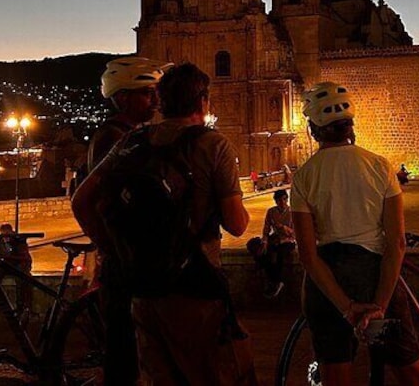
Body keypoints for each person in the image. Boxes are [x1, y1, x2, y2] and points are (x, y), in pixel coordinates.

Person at [73, 62, 258, 385]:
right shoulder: (212, 144)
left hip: (143, 291)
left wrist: (114, 249)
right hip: (194, 286)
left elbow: (81, 201)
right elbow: (237, 224)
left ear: (162, 99)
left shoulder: (134, 140)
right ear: (203, 101)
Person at [290, 82, 419, 386]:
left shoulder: (304, 177)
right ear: (350, 125)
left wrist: (346, 307)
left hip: (328, 279)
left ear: (314, 129)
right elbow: (396, 242)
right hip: (375, 271)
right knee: (413, 373)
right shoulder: (380, 166)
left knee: (337, 374)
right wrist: (380, 303)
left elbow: (308, 255)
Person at [83, 56, 171, 386]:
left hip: (133, 261)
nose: (155, 99)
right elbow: (95, 201)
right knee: (123, 357)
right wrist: (110, 249)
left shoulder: (131, 134)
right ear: (122, 97)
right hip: (123, 266)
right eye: (146, 93)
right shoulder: (113, 138)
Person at [0, 223, 33, 314]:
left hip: (19, 265)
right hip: (7, 264)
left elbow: (23, 256)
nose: (5, 238)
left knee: (21, 280)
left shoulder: (19, 240)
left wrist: (9, 258)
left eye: (7, 235)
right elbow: (0, 253)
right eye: (3, 235)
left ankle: (21, 306)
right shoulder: (2, 241)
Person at [260, 189, 296, 298]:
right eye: (279, 200)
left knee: (280, 253)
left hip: (288, 241)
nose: (282, 202)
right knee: (264, 252)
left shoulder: (292, 213)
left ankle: (277, 281)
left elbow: (295, 234)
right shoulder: (271, 212)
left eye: (284, 199)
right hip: (276, 240)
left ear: (287, 199)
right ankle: (273, 281)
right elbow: (266, 230)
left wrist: (283, 228)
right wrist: (265, 241)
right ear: (275, 201)